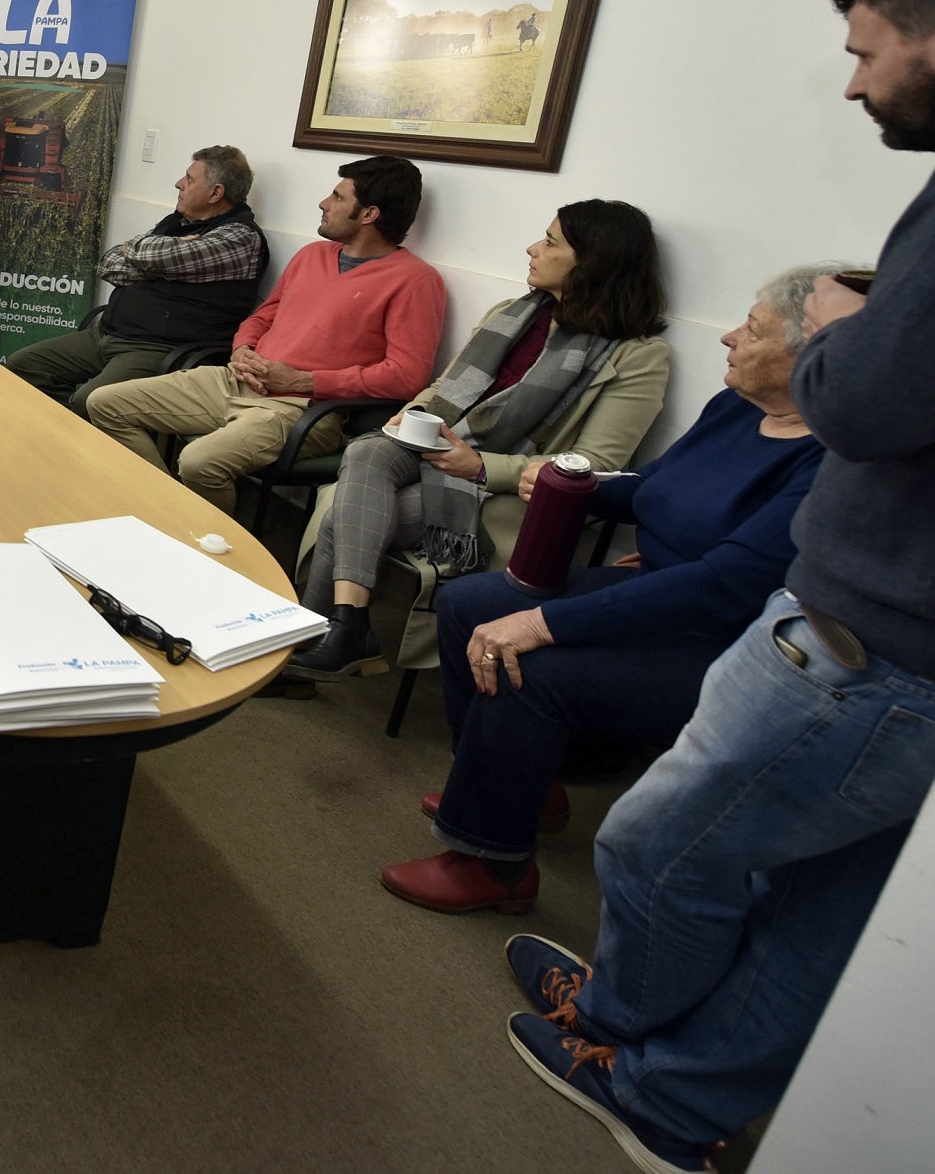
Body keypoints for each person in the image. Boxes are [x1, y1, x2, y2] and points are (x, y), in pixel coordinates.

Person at [504, 0, 935, 1173]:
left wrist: (832, 343)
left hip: (860, 645)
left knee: (657, 843)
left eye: (866, 52)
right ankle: (680, 1101)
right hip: (903, 649)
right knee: (816, 905)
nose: (851, 84)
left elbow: (870, 399)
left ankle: (617, 1035)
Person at [376, 266, 830, 916]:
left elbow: (724, 585)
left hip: (722, 638)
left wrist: (543, 623)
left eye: (753, 329)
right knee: (467, 603)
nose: (729, 337)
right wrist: (570, 482)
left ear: (810, 355)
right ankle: (516, 786)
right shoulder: (738, 406)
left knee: (526, 659)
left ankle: (494, 864)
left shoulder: (825, 461)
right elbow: (651, 486)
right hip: (656, 587)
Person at [286, 201, 672, 680]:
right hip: (436, 451)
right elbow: (441, 391)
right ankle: (348, 633)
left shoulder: (639, 357)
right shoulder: (510, 314)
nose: (533, 249)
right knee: (367, 450)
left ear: (593, 262)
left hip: (506, 492)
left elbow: (593, 464)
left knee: (343, 514)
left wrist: (482, 466)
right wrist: (411, 417)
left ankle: (322, 642)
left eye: (551, 242)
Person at [84, 157, 446, 511]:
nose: (323, 203)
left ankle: (216, 551)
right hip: (236, 380)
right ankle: (166, 514)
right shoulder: (312, 255)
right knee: (105, 403)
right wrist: (241, 349)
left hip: (303, 410)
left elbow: (406, 376)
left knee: (198, 462)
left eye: (337, 197)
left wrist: (306, 381)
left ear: (369, 215)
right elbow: (263, 317)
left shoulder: (415, 281)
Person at [4, 146, 266, 416]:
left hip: (160, 348)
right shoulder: (177, 223)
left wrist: (152, 256)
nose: (179, 184)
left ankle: (83, 441)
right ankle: (65, 430)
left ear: (215, 193)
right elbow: (107, 263)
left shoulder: (239, 238)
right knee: (23, 365)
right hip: (107, 334)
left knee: (89, 400)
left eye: (189, 179)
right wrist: (155, 259)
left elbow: (155, 256)